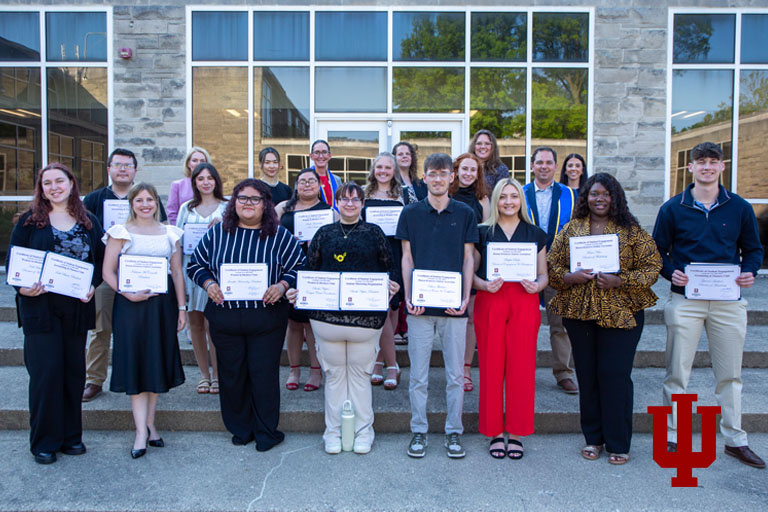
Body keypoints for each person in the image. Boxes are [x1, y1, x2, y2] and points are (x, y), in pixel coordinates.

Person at [653, 142, 766, 470]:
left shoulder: (740, 208)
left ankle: (735, 439)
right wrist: (668, 270)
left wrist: (749, 271)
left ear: (721, 167)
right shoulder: (673, 208)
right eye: (700, 162)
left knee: (730, 374)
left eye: (712, 162)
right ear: (690, 168)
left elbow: (754, 249)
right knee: (677, 371)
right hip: (686, 299)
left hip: (728, 301)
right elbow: (658, 250)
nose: (706, 167)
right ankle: (671, 436)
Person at [548, 173, 661, 465]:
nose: (600, 199)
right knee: (587, 375)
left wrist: (620, 280)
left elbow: (653, 267)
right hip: (580, 313)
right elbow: (551, 266)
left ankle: (618, 441)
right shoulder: (572, 229)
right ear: (585, 197)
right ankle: (593, 438)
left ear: (615, 198)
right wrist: (570, 277)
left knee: (615, 375)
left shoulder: (631, 229)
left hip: (622, 313)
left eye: (606, 194)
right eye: (594, 194)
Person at [188, 179, 305, 451]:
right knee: (232, 375)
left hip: (266, 319)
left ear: (266, 203)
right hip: (225, 318)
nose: (248, 203)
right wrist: (209, 284)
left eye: (255, 199)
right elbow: (196, 265)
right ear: (234, 202)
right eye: (242, 198)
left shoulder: (279, 235)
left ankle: (266, 431)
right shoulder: (218, 233)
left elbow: (300, 265)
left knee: (263, 375)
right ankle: (240, 429)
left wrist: (282, 285)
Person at [288, 182, 399, 454]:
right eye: (344, 199)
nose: (349, 204)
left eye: (355, 199)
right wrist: (298, 291)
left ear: (362, 204)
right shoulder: (323, 233)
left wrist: (392, 287)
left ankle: (363, 432)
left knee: (361, 378)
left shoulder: (374, 233)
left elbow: (389, 268)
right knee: (335, 377)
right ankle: (333, 432)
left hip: (365, 321)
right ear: (336, 202)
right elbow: (309, 269)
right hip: (328, 322)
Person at [8, 163, 103, 464]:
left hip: (76, 308)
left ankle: (71, 437)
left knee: (73, 374)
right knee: (46, 374)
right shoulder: (28, 222)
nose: (54, 187)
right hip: (40, 308)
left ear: (72, 184)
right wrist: (22, 289)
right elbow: (15, 264)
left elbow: (100, 262)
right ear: (41, 188)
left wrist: (93, 284)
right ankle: (44, 442)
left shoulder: (88, 221)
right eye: (47, 182)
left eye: (59, 181)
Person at [396, 153, 479, 459]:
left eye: (444, 173)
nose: (438, 178)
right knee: (418, 375)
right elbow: (407, 258)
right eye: (432, 174)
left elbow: (469, 258)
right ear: (425, 178)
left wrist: (465, 297)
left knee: (456, 375)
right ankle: (418, 430)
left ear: (451, 177)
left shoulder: (465, 212)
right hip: (420, 308)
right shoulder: (411, 213)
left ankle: (453, 432)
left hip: (453, 308)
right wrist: (409, 296)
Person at [102, 183, 186, 459]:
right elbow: (107, 272)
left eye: (150, 199)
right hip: (130, 307)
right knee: (137, 363)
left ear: (156, 203)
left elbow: (176, 273)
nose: (145, 204)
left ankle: (151, 424)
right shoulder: (120, 233)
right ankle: (140, 432)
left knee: (155, 362)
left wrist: (182, 308)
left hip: (162, 307)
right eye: (139, 200)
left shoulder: (170, 233)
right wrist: (126, 293)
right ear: (132, 204)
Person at [82, 148, 169, 402]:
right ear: (108, 168)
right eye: (117, 164)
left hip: (144, 275)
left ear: (135, 169)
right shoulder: (95, 199)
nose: (122, 169)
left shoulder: (146, 196)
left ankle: (140, 376)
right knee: (100, 328)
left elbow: (161, 229)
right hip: (108, 274)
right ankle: (94, 379)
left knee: (140, 330)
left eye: (127, 165)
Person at [472, 178, 547, 460]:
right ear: (495, 201)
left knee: (522, 368)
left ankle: (516, 431)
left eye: (514, 197)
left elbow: (543, 275)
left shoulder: (535, 233)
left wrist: (537, 287)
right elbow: (474, 273)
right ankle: (493, 430)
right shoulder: (482, 232)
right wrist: (481, 286)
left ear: (521, 200)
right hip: (491, 300)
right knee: (491, 367)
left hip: (524, 302)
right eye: (503, 197)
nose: (508, 202)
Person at [522, 146, 578, 394]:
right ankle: (522, 371)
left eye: (549, 162)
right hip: (525, 266)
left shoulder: (571, 195)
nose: (544, 166)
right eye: (539, 162)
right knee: (525, 324)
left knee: (561, 325)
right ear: (532, 166)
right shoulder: (519, 193)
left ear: (556, 167)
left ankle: (563, 372)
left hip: (559, 266)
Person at [275, 168, 330, 392]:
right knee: (293, 323)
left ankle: (315, 371)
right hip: (288, 270)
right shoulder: (282, 208)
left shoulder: (329, 212)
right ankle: (294, 369)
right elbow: (270, 236)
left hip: (317, 272)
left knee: (312, 324)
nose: (307, 185)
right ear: (296, 186)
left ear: (319, 186)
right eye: (302, 181)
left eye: (311, 181)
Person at [176, 163, 227, 395]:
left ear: (216, 181)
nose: (205, 182)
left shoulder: (227, 207)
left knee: (213, 324)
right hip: (190, 270)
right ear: (194, 182)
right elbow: (177, 240)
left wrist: (223, 228)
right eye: (200, 178)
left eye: (209, 178)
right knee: (195, 323)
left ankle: (218, 374)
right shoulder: (187, 208)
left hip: (216, 273)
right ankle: (204, 375)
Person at [362, 152, 404, 389]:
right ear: (373, 169)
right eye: (379, 167)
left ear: (394, 171)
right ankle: (387, 363)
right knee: (380, 310)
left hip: (396, 255)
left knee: (392, 307)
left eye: (388, 167)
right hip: (372, 258)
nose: (383, 171)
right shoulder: (364, 195)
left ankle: (382, 361)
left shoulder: (403, 196)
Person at [449, 153, 489, 393]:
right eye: (464, 169)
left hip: (472, 261)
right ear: (456, 170)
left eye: (473, 170)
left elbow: (484, 234)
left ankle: (465, 369)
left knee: (470, 318)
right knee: (448, 319)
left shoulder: (482, 199)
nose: (468, 174)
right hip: (447, 263)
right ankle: (451, 367)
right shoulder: (447, 194)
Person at [391, 141, 426, 345]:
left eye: (407, 153)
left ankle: (407, 326)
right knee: (399, 279)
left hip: (416, 238)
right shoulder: (391, 182)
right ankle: (396, 327)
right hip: (396, 237)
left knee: (412, 280)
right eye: (400, 153)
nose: (404, 156)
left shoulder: (419, 183)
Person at [167, 147, 211, 226]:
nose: (198, 164)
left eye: (202, 161)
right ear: (188, 164)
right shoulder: (177, 185)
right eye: (194, 160)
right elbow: (172, 213)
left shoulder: (212, 184)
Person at [306, 139, 342, 210]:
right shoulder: (304, 179)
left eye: (324, 152)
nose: (321, 156)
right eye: (317, 152)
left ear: (329, 155)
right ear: (311, 156)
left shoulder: (337, 180)